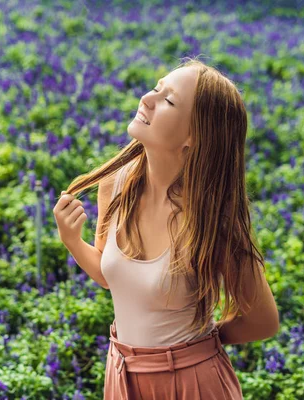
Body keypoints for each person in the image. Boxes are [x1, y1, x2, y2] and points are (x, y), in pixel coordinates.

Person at [53, 56, 279, 399]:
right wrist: (72, 241)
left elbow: (263, 321)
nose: (147, 99)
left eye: (168, 100)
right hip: (122, 375)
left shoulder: (211, 219)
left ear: (194, 137)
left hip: (191, 382)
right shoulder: (115, 185)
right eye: (157, 89)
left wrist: (194, 345)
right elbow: (110, 275)